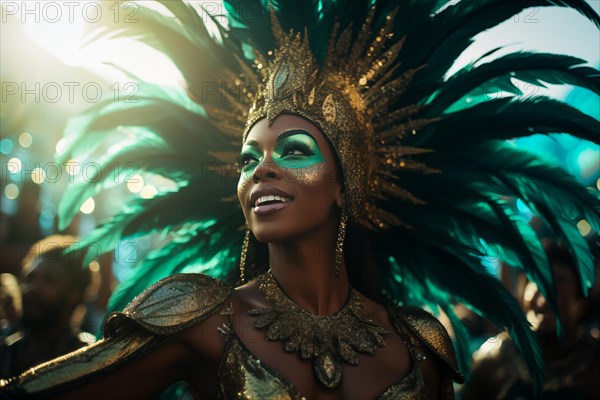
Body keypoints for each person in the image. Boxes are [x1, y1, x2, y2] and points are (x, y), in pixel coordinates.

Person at [1, 0, 599, 398]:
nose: (261, 169)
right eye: (247, 157)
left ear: (345, 184)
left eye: (292, 150)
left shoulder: (421, 344)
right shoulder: (201, 319)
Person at [460, 243, 600, 400]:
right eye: (538, 280)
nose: (545, 300)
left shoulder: (595, 361)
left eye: (560, 282)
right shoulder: (494, 360)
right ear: (522, 296)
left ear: (582, 303)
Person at [0, 235, 92, 379]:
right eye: (30, 278)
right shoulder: (5, 344)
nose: (32, 289)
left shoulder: (87, 359)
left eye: (49, 281)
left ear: (73, 295)